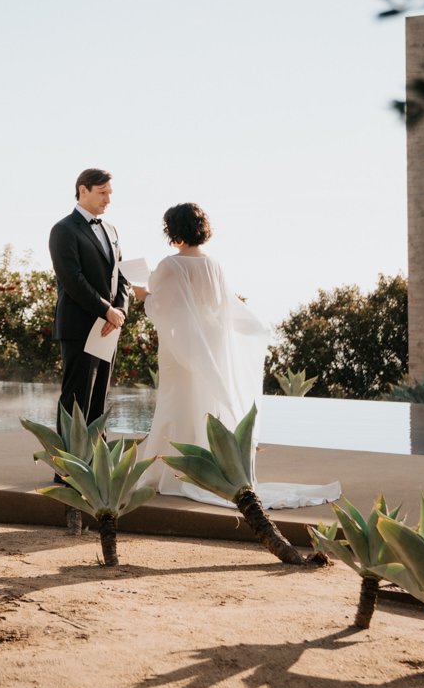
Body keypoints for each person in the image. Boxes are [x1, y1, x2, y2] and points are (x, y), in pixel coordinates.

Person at [135, 202, 339, 507]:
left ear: (173, 229)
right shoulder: (214, 265)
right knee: (205, 402)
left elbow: (164, 308)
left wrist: (144, 297)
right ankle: (209, 469)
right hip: (212, 344)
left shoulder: (170, 265)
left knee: (177, 401)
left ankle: (172, 473)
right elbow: (218, 309)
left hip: (182, 348)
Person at [49, 168, 133, 426]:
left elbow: (121, 276)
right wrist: (106, 310)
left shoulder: (112, 230)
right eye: (102, 193)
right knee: (75, 403)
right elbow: (72, 279)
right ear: (82, 190)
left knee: (99, 402)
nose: (107, 199)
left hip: (109, 328)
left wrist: (119, 312)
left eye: (110, 193)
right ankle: (66, 467)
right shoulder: (63, 230)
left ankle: (97, 465)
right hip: (80, 327)